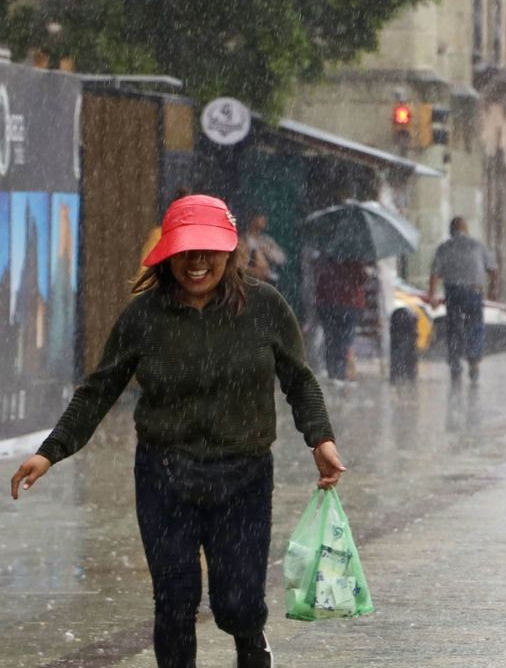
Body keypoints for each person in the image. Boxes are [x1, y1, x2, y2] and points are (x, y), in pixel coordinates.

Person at [8, 194, 346, 668]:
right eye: (187, 250)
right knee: (174, 599)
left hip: (244, 477)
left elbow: (299, 380)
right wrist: (51, 451)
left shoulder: (265, 307)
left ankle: (251, 641)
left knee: (239, 601)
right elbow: (98, 390)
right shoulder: (144, 317)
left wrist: (321, 441)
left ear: (230, 252)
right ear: (169, 254)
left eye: (209, 250)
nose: (197, 262)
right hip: (164, 476)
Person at [429, 216, 498, 382]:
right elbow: (493, 269)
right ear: (466, 229)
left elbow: (435, 273)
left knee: (454, 327)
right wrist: (493, 289)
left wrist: (432, 295)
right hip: (474, 291)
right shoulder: (478, 245)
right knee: (475, 325)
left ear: (451, 231)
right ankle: (474, 360)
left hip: (453, 292)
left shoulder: (445, 247)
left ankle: (455, 362)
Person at [313, 258, 368, 382]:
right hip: (349, 303)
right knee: (344, 340)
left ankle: (333, 371)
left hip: (327, 302)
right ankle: (340, 372)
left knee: (331, 339)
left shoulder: (326, 253)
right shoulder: (355, 255)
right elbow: (361, 278)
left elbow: (318, 276)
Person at [244, 213, 287, 285]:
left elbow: (281, 259)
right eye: (260, 216)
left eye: (264, 216)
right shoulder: (244, 240)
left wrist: (268, 251)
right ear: (252, 219)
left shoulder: (266, 240)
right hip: (251, 280)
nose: (264, 219)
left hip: (269, 281)